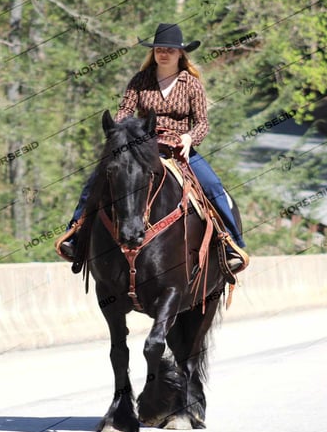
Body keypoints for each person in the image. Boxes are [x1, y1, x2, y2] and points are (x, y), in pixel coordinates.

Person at [59, 22, 246, 271]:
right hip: (139, 147)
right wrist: (120, 133)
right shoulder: (140, 81)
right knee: (96, 180)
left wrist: (190, 139)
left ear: (180, 53)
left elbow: (202, 123)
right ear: (153, 52)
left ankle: (232, 244)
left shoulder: (191, 84)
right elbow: (125, 111)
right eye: (159, 49)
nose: (164, 53)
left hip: (179, 148)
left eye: (169, 49)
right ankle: (75, 234)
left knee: (212, 186)